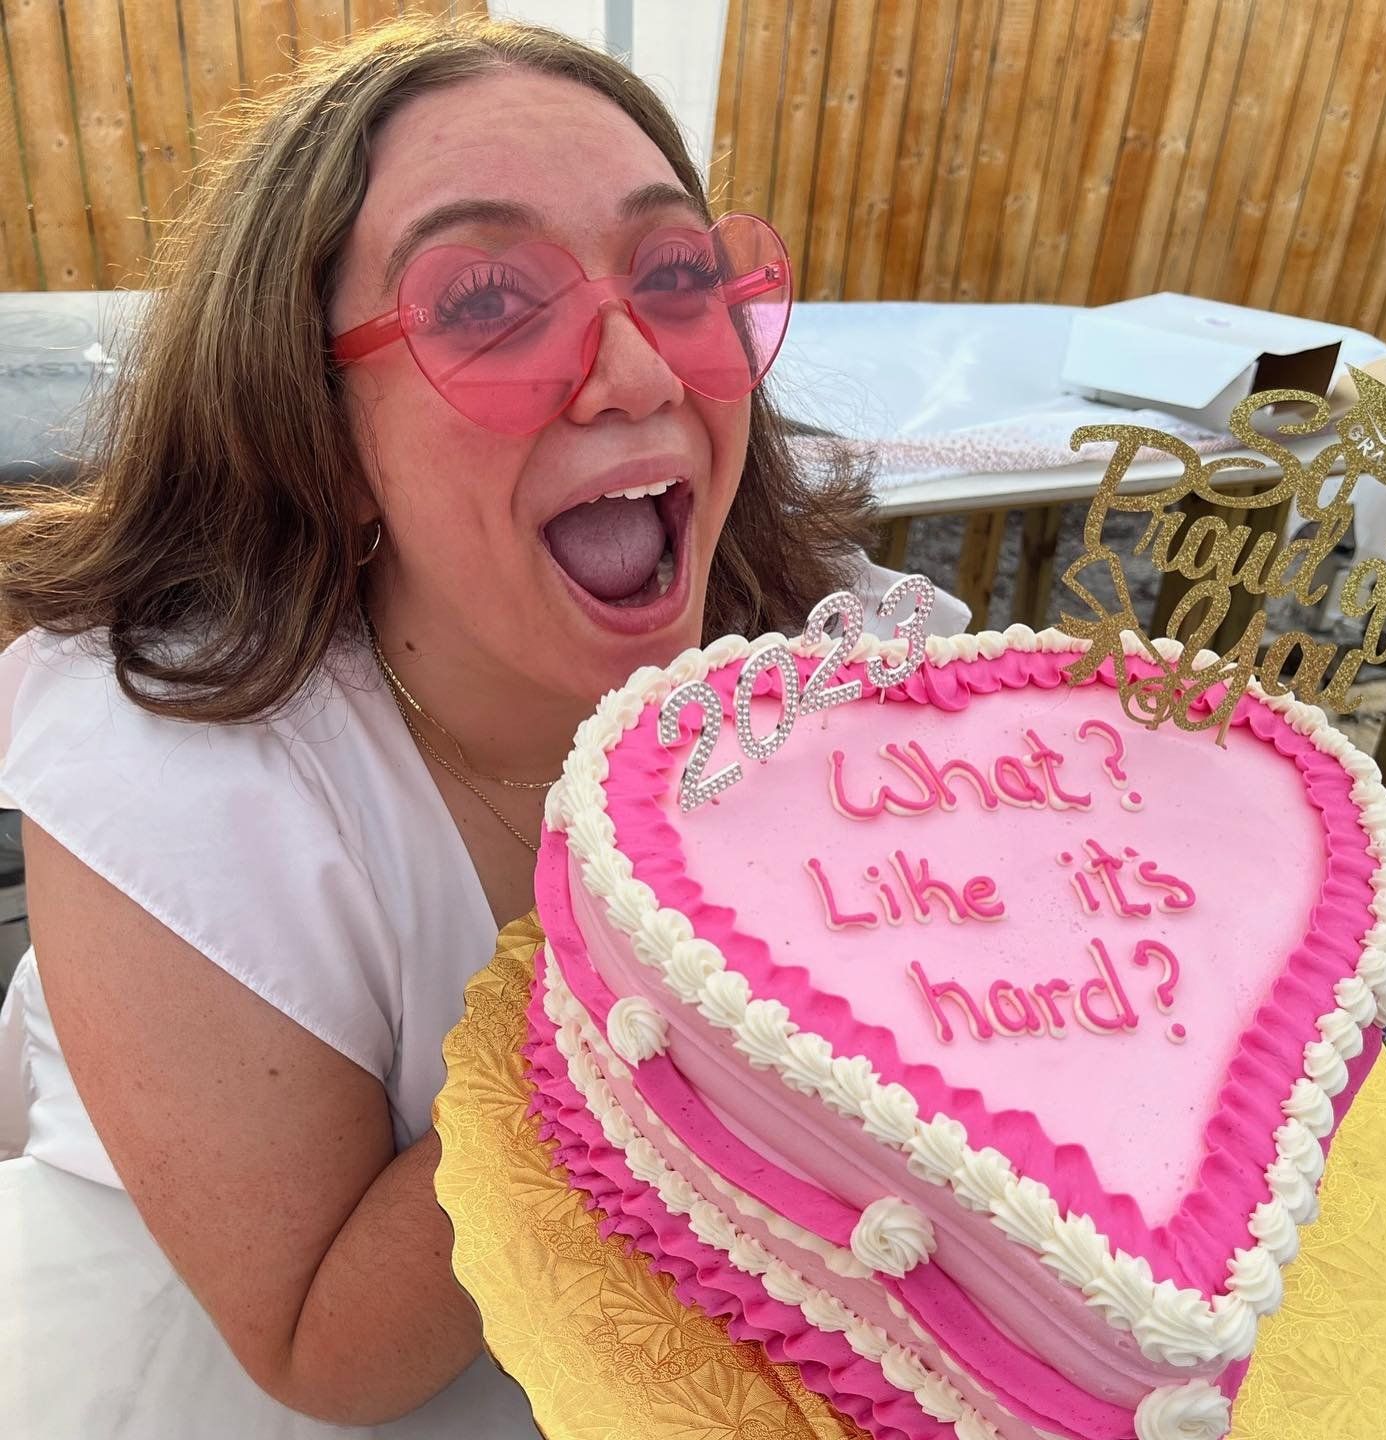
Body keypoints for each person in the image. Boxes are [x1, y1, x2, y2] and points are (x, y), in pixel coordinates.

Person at [0, 16, 968, 1438]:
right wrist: (704, 940)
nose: (637, 373)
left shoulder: (841, 664)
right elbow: (326, 1356)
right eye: (489, 301)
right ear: (317, 430)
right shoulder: (169, 769)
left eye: (678, 276)